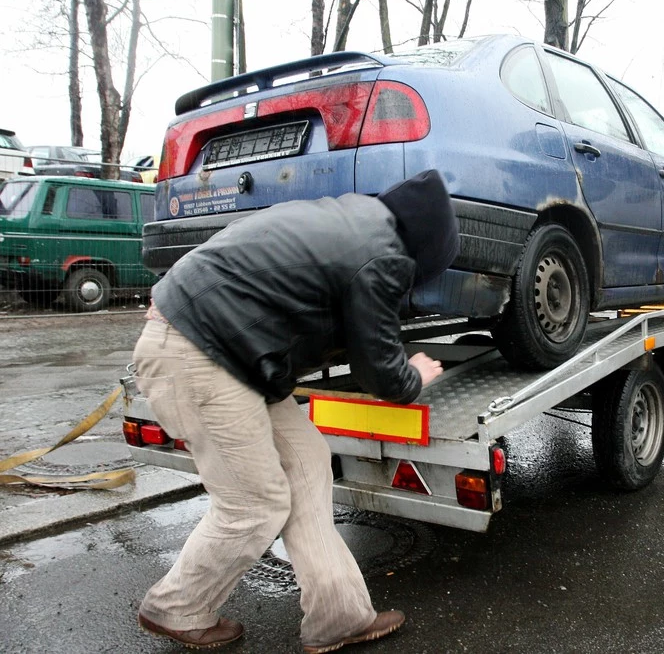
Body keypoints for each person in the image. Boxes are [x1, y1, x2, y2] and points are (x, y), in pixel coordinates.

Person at [131, 169, 459, 651]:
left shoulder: (354, 218)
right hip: (201, 355)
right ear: (427, 251)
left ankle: (338, 616)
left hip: (228, 353)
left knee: (307, 463)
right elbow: (381, 371)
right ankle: (176, 606)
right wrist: (416, 374)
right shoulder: (384, 256)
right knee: (255, 504)